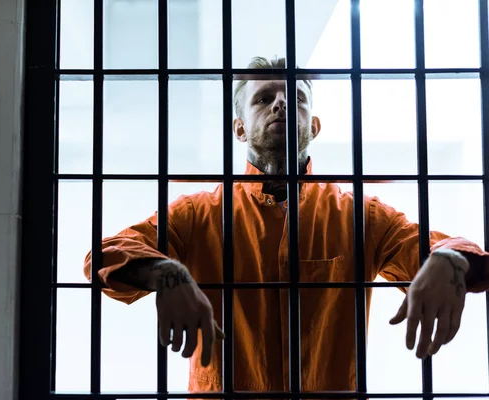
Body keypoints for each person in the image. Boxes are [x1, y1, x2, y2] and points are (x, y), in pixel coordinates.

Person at [84, 56, 489, 393]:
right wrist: (165, 271)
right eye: (263, 98)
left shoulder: (361, 216)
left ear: (313, 127)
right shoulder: (196, 215)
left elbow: (448, 249)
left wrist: (449, 258)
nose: (280, 104)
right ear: (239, 128)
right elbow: (103, 256)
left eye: (295, 97)